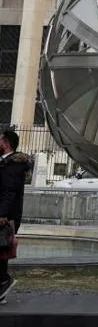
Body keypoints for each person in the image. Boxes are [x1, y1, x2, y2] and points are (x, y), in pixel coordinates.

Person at [0, 129, 31, 304]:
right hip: (4, 214)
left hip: (6, 216)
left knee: (2, 250)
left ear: (6, 143)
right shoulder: (6, 163)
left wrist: (2, 214)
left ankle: (4, 282)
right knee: (1, 251)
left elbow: (9, 191)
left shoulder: (13, 165)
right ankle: (2, 288)